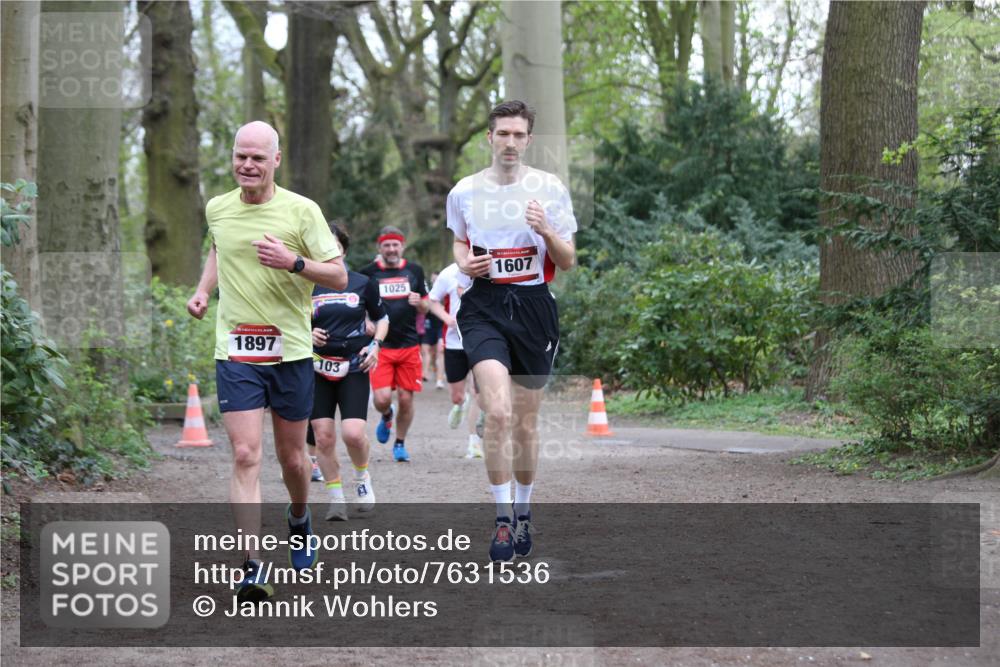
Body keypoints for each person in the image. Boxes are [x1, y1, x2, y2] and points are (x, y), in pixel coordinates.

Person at [186, 121, 347, 601]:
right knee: (244, 454)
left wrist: (294, 263)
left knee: (294, 459)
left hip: (292, 352)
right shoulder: (218, 208)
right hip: (236, 349)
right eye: (241, 156)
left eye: (258, 157)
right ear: (233, 158)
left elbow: (338, 276)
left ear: (276, 160)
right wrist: (202, 290)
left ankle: (299, 517)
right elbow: (219, 249)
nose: (248, 165)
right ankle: (252, 566)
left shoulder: (302, 211)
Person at [446, 100, 577, 562]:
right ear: (489, 137)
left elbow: (567, 259)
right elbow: (460, 242)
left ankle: (524, 511)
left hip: (534, 308)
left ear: (529, 140)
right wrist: (466, 262)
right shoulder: (464, 191)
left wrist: (545, 230)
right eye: (503, 133)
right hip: (483, 305)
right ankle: (502, 521)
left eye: (519, 135)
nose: (510, 142)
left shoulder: (549, 189)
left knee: (524, 421)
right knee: (497, 413)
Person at [307, 222, 389, 521]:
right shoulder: (304, 285)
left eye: (333, 246)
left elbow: (382, 319)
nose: (328, 251)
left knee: (353, 434)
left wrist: (376, 345)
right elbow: (290, 323)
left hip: (354, 364)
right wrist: (307, 335)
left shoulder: (362, 282)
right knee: (323, 437)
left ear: (342, 248)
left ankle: (362, 478)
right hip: (316, 367)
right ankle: (336, 497)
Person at [359, 226, 430, 463]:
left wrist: (419, 302)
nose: (391, 249)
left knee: (407, 399)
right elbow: (359, 305)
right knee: (381, 399)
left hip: (409, 345)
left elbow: (427, 307)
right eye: (386, 245)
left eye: (395, 244)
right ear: (379, 247)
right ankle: (387, 415)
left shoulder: (415, 271)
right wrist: (367, 321)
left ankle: (399, 443)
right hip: (381, 347)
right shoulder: (368, 273)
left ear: (403, 246)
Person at [427, 263, 483, 459]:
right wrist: (447, 318)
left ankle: (474, 443)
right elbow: (432, 300)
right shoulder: (448, 273)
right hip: (454, 342)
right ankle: (460, 404)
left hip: (482, 340)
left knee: (480, 393)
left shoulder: (490, 267)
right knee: (457, 396)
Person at [420, 272, 446, 390]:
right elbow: (423, 310)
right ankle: (424, 374)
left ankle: (439, 379)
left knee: (439, 352)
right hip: (428, 326)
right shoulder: (428, 293)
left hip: (442, 326)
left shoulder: (446, 293)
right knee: (425, 351)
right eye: (433, 280)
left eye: (436, 279)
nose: (434, 281)